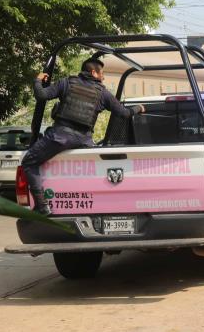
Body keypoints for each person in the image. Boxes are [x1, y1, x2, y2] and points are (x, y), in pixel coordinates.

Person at [21, 58, 144, 215]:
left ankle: (42, 206)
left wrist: (37, 81)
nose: (104, 77)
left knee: (29, 162)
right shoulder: (103, 93)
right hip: (84, 141)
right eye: (103, 74)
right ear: (94, 72)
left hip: (60, 138)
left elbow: (41, 95)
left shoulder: (66, 83)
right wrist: (139, 108)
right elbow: (124, 114)